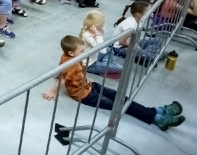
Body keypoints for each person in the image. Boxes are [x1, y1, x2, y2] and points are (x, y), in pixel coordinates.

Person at [42, 35, 185, 131]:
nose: (84, 52)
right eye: (82, 51)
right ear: (71, 53)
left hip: (89, 85)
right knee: (119, 105)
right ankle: (157, 118)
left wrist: (84, 78)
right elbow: (63, 77)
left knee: (120, 96)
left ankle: (158, 111)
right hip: (84, 95)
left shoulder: (68, 55)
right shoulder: (69, 63)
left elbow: (64, 71)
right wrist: (52, 91)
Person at [79, 10, 123, 76]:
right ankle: (105, 66)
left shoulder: (88, 28)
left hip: (94, 57)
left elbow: (103, 32)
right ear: (96, 26)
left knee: (109, 49)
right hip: (90, 65)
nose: (103, 26)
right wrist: (98, 36)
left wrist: (99, 31)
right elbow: (103, 51)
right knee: (120, 68)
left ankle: (105, 65)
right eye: (102, 24)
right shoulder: (87, 36)